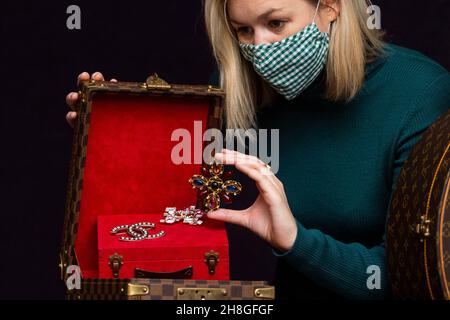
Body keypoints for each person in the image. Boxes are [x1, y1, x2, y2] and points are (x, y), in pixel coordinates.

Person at [65, 0, 450, 299]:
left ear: (330, 6)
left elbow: (410, 280)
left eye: (276, 23)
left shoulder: (420, 93)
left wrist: (296, 241)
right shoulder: (242, 90)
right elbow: (177, 192)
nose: (260, 48)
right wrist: (114, 124)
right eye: (243, 30)